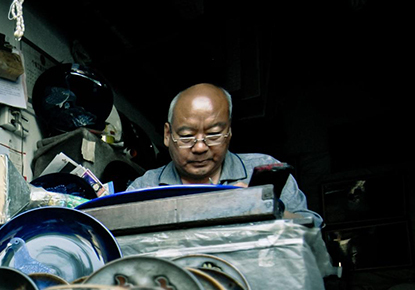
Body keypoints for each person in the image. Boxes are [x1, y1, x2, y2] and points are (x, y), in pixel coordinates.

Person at [127, 83, 322, 226]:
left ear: (229, 133)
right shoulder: (144, 188)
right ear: (168, 135)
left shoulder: (264, 171)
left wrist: (267, 208)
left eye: (213, 134)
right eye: (187, 136)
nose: (200, 147)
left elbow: (312, 232)